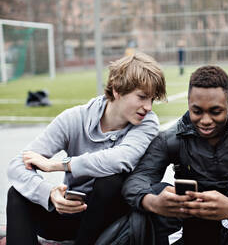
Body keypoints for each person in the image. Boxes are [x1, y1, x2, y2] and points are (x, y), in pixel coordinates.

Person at [6, 52, 166, 245]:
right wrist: (49, 193)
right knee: (17, 194)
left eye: (152, 99)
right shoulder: (74, 118)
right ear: (117, 89)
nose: (148, 107)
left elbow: (120, 159)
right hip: (72, 212)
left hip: (112, 220)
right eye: (142, 97)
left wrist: (58, 165)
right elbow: (17, 165)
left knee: (110, 180)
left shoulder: (147, 123)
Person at [123, 65, 228, 245]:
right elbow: (136, 180)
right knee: (156, 191)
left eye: (215, 111)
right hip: (195, 226)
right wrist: (153, 202)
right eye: (197, 111)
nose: (205, 120)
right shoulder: (171, 138)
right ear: (189, 104)